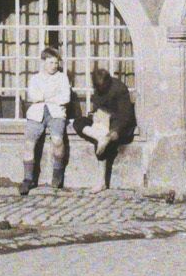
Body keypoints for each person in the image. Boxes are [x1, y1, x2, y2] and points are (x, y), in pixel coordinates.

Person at [73, 64, 138, 189]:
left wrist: (111, 132)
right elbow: (98, 107)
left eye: (103, 87)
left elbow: (125, 117)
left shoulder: (119, 89)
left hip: (119, 124)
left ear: (108, 82)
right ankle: (100, 137)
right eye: (98, 87)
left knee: (104, 141)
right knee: (78, 122)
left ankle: (101, 182)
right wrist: (96, 116)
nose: (100, 89)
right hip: (103, 121)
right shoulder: (98, 89)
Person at [19, 46, 73, 196]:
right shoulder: (35, 78)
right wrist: (51, 97)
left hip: (56, 113)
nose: (54, 66)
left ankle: (58, 172)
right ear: (43, 62)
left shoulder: (62, 77)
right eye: (51, 62)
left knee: (57, 140)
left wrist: (45, 97)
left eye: (56, 63)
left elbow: (65, 98)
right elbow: (33, 96)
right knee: (29, 143)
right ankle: (28, 179)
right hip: (36, 113)